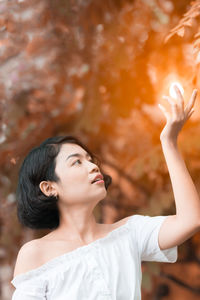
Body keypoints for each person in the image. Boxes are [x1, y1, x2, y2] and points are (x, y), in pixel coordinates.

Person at [10, 86, 200, 299]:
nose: (93, 166)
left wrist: (170, 143)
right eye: (76, 162)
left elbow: (190, 220)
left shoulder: (129, 233)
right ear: (49, 187)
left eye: (90, 160)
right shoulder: (35, 254)